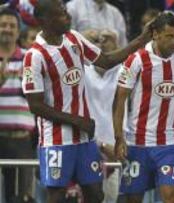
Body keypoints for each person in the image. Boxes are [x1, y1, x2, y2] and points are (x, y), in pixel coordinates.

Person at [21, 0, 151, 202]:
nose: (68, 16)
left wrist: (140, 40)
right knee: (56, 195)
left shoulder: (74, 38)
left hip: (84, 139)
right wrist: (77, 120)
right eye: (61, 14)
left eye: (66, 11)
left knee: (96, 194)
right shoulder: (35, 56)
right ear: (44, 21)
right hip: (56, 141)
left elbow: (106, 61)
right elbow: (35, 105)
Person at [113, 12, 174, 203]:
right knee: (132, 199)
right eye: (169, 36)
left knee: (173, 197)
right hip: (137, 143)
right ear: (155, 34)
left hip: (168, 144)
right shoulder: (136, 60)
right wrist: (119, 138)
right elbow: (119, 101)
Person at [0, 7, 35, 203]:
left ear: (17, 30)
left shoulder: (30, 59)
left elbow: (43, 96)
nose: (7, 29)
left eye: (11, 25)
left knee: (21, 199)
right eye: (3, 25)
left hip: (22, 141)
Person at [83, 28, 121, 203]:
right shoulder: (83, 69)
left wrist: (116, 47)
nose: (102, 43)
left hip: (116, 151)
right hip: (85, 148)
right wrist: (83, 38)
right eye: (97, 41)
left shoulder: (123, 71)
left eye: (107, 39)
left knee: (111, 199)